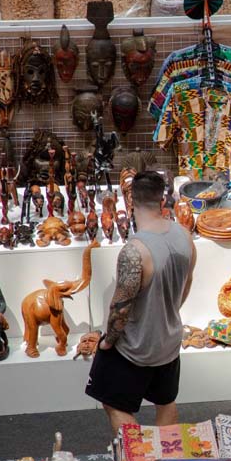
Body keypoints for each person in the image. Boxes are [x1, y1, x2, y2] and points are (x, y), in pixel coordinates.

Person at [85, 171, 197, 436]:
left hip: (135, 346)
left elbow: (120, 307)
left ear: (131, 202)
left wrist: (108, 341)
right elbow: (187, 284)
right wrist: (168, 313)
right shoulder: (185, 236)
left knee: (115, 404)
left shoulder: (134, 251)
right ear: (162, 201)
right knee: (165, 402)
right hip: (169, 341)